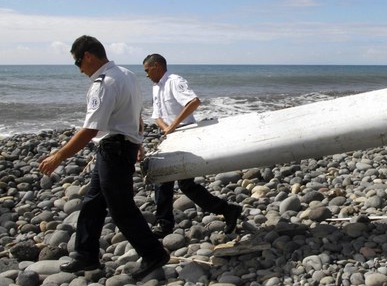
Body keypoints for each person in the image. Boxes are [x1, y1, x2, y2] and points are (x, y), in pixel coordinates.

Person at [39, 36, 169, 280]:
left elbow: (90, 130)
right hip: (118, 147)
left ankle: (154, 253)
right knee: (93, 202)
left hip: (114, 150)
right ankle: (85, 254)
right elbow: (135, 113)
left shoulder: (104, 83)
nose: (79, 70)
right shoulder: (127, 75)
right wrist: (137, 141)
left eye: (78, 63)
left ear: (88, 56)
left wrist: (58, 156)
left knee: (121, 208)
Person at [143, 54, 242, 237]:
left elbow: (193, 102)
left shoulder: (174, 81)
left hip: (185, 134)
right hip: (170, 137)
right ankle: (226, 210)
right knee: (170, 181)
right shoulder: (156, 88)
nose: (146, 75)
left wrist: (173, 126)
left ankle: (165, 225)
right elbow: (157, 115)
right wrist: (166, 128)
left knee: (180, 183)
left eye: (147, 70)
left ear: (157, 66)